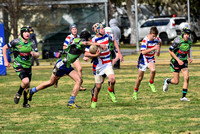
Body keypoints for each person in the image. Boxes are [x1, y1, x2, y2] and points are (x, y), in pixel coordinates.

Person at [26, 30, 106, 109]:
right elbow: (85, 43)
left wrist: (96, 55)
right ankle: (32, 91)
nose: (90, 40)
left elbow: (85, 53)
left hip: (67, 65)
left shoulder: (82, 46)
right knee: (50, 82)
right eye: (89, 39)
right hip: (62, 64)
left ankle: (71, 102)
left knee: (79, 80)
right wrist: (99, 44)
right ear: (87, 38)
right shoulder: (78, 40)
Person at [84, 23, 123, 108]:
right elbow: (86, 54)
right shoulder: (94, 41)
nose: (104, 30)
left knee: (112, 80)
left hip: (107, 63)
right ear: (97, 31)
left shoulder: (108, 36)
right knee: (98, 86)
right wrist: (95, 55)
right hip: (98, 65)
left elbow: (114, 41)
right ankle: (94, 100)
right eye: (102, 29)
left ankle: (110, 90)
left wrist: (119, 53)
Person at [3, 26, 39, 108]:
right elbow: (4, 48)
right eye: (25, 32)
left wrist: (34, 54)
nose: (27, 34)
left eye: (28, 33)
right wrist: (5, 61)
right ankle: (19, 93)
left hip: (28, 65)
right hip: (18, 64)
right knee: (25, 81)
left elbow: (37, 54)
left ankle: (25, 103)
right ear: (22, 33)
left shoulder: (32, 42)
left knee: (28, 86)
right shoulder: (16, 41)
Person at [163, 27, 192, 101]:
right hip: (175, 61)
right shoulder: (178, 40)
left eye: (188, 34)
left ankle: (183, 97)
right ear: (183, 34)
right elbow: (170, 50)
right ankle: (167, 81)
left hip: (184, 61)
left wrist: (189, 57)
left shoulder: (189, 41)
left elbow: (188, 49)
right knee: (176, 82)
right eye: (185, 34)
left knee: (187, 77)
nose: (186, 36)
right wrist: (178, 60)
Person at [54, 24, 86, 91]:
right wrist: (72, 46)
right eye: (73, 29)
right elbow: (64, 47)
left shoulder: (78, 37)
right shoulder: (69, 37)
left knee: (79, 69)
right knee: (65, 72)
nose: (74, 30)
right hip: (69, 56)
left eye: (75, 29)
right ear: (71, 30)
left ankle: (79, 85)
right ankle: (56, 78)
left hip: (75, 57)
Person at [133, 26, 161, 100]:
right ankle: (135, 92)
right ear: (150, 33)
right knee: (140, 78)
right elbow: (143, 52)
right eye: (153, 36)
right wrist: (153, 48)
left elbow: (159, 42)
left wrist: (158, 51)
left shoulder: (156, 39)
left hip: (150, 58)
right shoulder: (145, 41)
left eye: (155, 36)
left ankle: (151, 82)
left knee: (153, 70)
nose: (154, 38)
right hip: (143, 60)